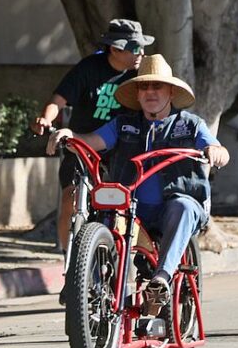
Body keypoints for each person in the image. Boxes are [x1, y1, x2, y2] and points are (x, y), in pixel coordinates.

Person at [47, 54, 229, 311]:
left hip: (172, 208)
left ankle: (161, 280)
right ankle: (101, 292)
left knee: (184, 207)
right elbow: (90, 142)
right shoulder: (122, 125)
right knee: (102, 217)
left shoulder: (190, 124)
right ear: (137, 93)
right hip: (130, 209)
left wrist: (216, 151)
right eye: (144, 86)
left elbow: (215, 146)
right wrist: (69, 135)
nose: (150, 92)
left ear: (171, 91)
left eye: (157, 86)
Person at [30, 19, 150, 251]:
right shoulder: (89, 68)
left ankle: (117, 256)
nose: (141, 54)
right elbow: (58, 100)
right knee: (70, 198)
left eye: (142, 47)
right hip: (81, 146)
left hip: (120, 149)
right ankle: (69, 259)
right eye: (135, 48)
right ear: (115, 49)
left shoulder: (140, 75)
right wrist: (46, 118)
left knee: (122, 205)